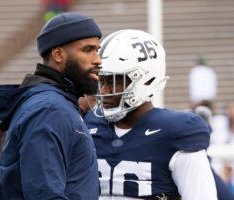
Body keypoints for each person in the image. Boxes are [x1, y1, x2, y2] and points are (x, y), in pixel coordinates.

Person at [83, 29, 218, 199]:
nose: (104, 91)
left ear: (145, 79)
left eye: (115, 80)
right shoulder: (89, 126)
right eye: (101, 80)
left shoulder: (175, 133)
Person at [0, 12, 102, 200]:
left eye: (97, 50)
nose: (97, 60)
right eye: (88, 50)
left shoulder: (57, 104)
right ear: (58, 54)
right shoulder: (50, 109)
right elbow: (44, 195)